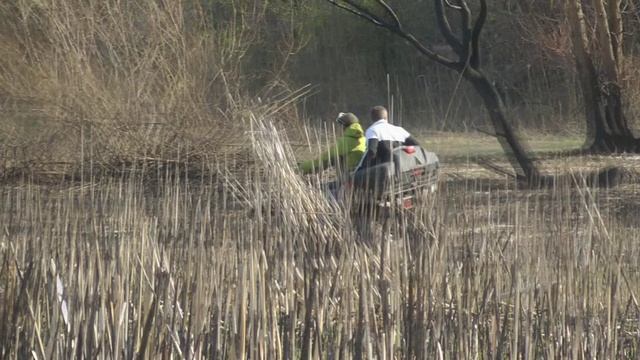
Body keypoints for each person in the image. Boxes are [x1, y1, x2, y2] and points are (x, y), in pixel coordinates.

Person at [299, 112, 366, 175]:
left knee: (334, 158)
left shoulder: (345, 142)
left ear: (344, 126)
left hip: (349, 177)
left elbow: (323, 160)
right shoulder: (364, 139)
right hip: (362, 175)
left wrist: (300, 168)